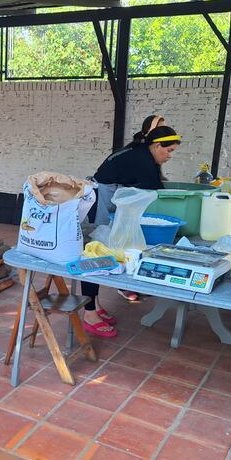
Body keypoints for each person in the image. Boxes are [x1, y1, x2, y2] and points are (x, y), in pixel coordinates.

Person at [81, 125, 182, 336]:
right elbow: (158, 194)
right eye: (169, 150)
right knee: (93, 253)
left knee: (103, 250)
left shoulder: (142, 154)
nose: (170, 155)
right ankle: (89, 313)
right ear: (156, 146)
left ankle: (95, 305)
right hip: (99, 198)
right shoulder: (144, 160)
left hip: (107, 194)